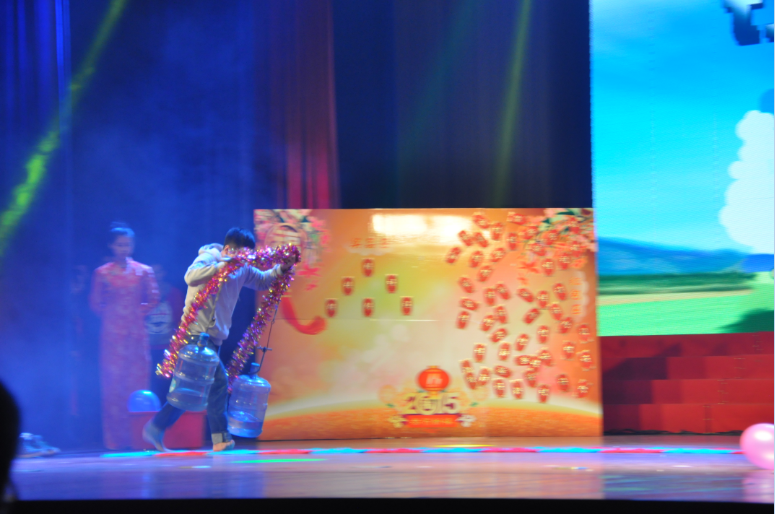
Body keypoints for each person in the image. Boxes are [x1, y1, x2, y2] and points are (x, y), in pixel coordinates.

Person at [143, 228, 297, 452]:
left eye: (248, 255)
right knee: (219, 382)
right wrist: (220, 268)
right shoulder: (210, 257)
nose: (245, 259)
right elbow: (190, 276)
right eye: (242, 254)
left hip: (214, 338)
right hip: (196, 334)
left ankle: (156, 426)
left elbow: (263, 281)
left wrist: (282, 267)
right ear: (228, 249)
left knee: (190, 389)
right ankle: (221, 438)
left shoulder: (243, 267)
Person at [90, 223, 159, 449]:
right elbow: (94, 303)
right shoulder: (101, 273)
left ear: (132, 246)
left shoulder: (144, 271)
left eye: (127, 244)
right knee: (113, 385)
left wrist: (135, 313)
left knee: (137, 381)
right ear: (111, 246)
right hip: (112, 335)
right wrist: (113, 315)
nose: (124, 248)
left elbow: (154, 298)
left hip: (136, 333)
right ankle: (115, 440)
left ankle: (139, 437)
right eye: (119, 245)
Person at [145, 264, 184, 402]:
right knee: (148, 382)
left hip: (167, 348)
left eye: (158, 272)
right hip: (146, 348)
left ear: (164, 273)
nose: (155, 276)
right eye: (152, 272)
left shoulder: (174, 293)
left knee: (165, 384)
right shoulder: (141, 293)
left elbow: (180, 320)